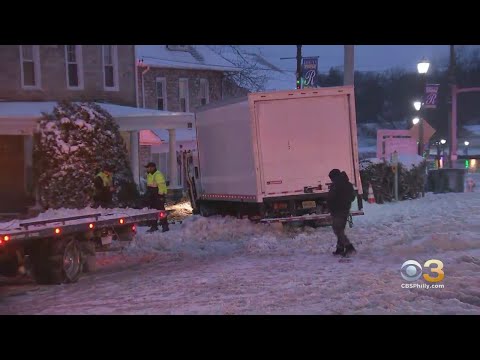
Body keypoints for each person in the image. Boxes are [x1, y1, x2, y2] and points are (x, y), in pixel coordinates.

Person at [327, 169, 356, 257]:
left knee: (337, 229)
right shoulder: (347, 184)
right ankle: (340, 248)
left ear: (334, 177)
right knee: (340, 229)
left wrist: (335, 203)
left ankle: (349, 247)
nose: (331, 180)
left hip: (339, 210)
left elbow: (332, 197)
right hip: (343, 209)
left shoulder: (337, 185)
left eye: (331, 178)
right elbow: (352, 197)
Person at [145, 162, 169, 233]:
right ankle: (154, 226)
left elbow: (161, 185)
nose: (147, 169)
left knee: (161, 211)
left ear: (152, 167)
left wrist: (160, 196)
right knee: (153, 211)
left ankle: (165, 226)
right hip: (152, 196)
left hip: (158, 196)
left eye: (148, 167)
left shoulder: (157, 174)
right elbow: (150, 186)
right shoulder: (149, 175)